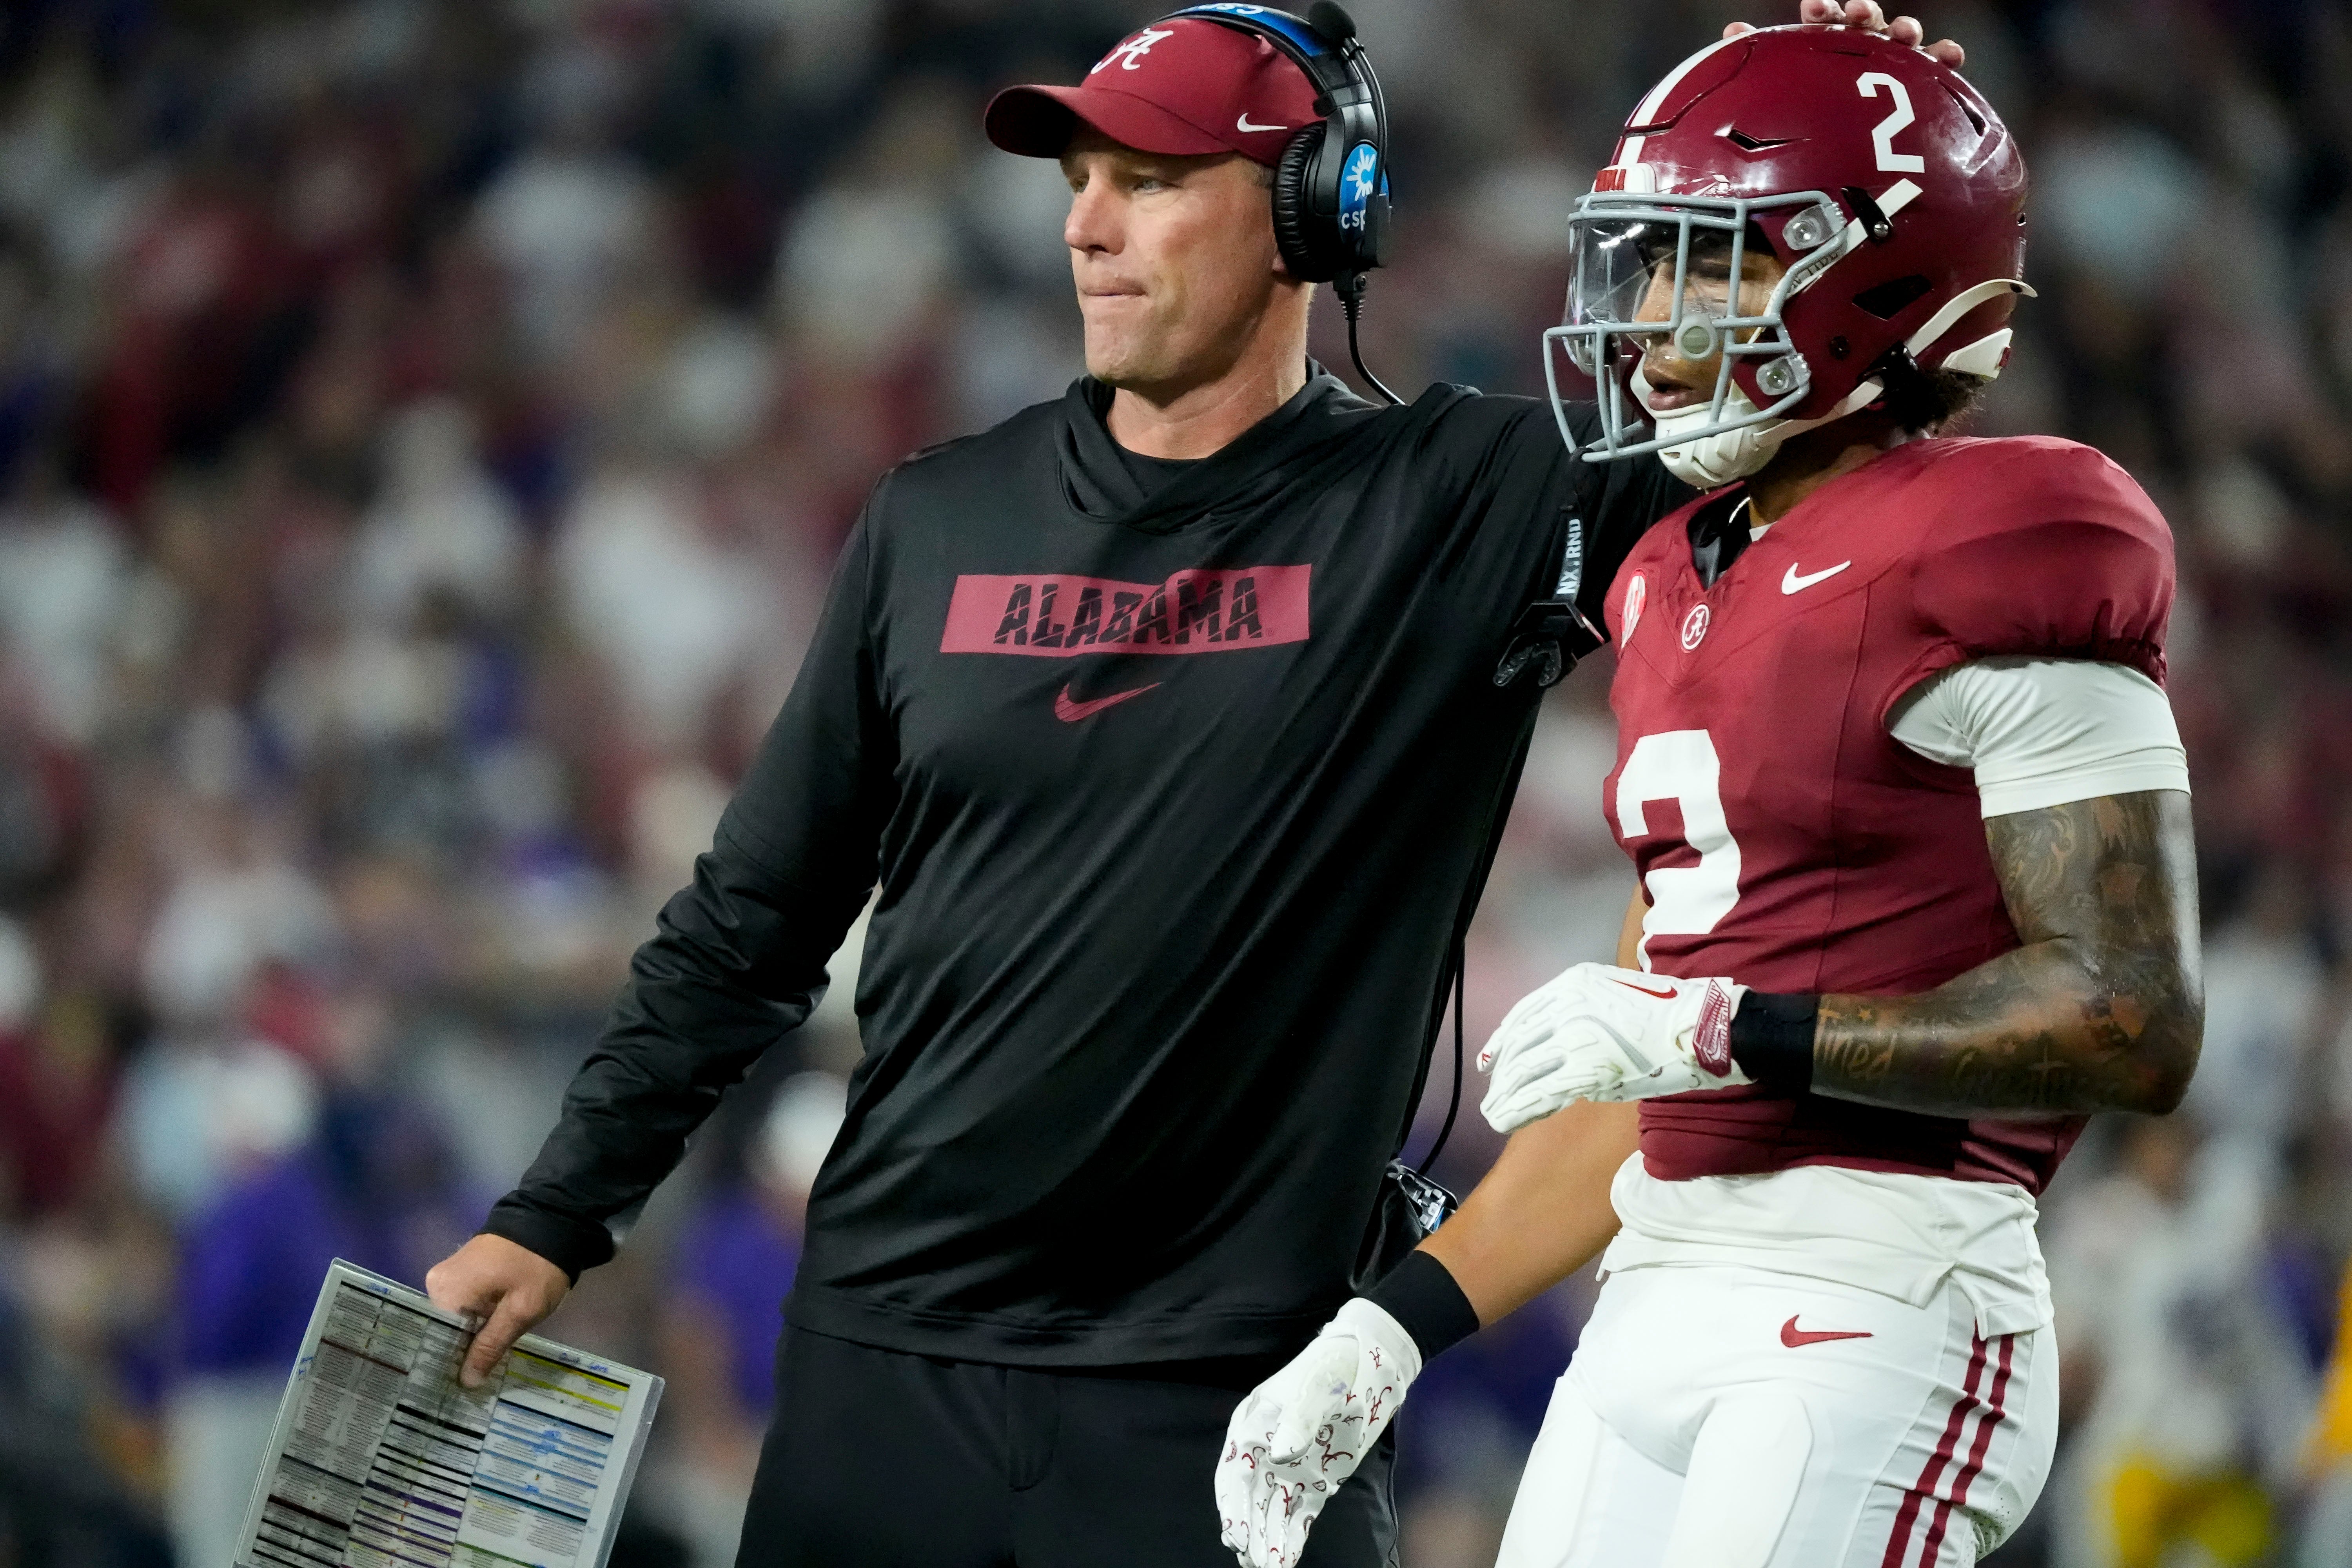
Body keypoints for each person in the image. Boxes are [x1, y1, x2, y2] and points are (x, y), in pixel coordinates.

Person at [424, 5, 1964, 1566]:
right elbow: (747, 925)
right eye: (1079, 180)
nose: (1087, 225)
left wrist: (1875, 143)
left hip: (1238, 1403)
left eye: (1152, 179)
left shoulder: (1460, 505)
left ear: (1317, 208)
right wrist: (554, 1213)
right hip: (879, 1373)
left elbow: (1826, 441)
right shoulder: (934, 519)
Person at [1215, 24, 2202, 1568]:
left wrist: (1735, 1028)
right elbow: (1640, 1074)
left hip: (1882, 1297)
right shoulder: (1672, 572)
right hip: (1659, 1296)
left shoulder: (2008, 532)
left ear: (1875, 275)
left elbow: (2133, 1013)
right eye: (1646, 265)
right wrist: (1389, 1333)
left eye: (1713, 264)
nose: (1656, 322)